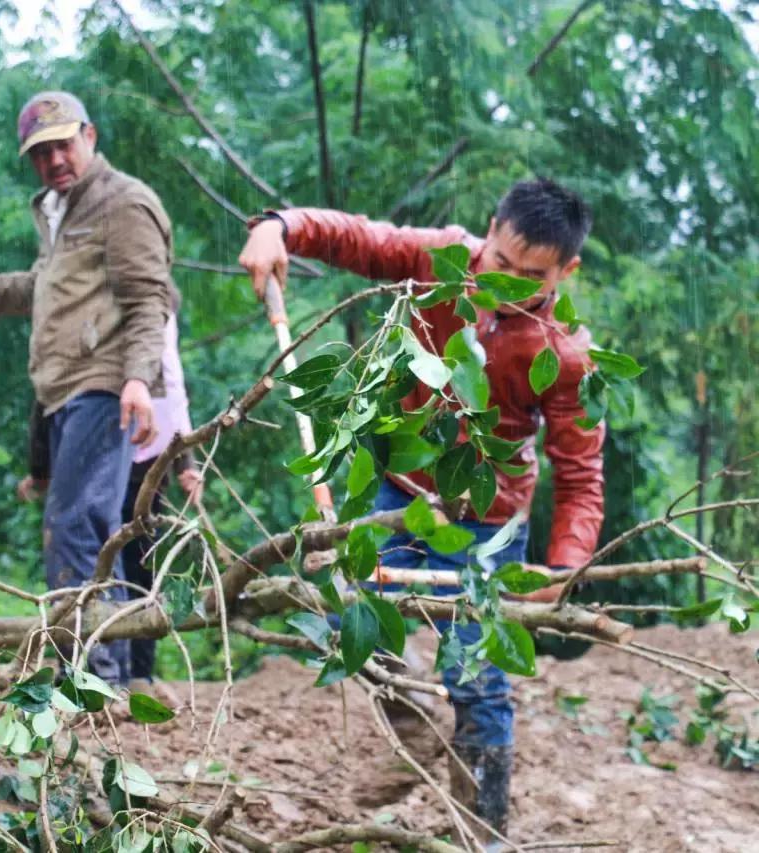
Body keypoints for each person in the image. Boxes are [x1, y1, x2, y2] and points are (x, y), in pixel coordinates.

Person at [237, 178, 604, 842]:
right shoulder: (439, 259)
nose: (506, 284)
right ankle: (411, 720)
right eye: (499, 263)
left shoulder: (566, 350)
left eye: (531, 277)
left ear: (566, 272)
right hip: (399, 494)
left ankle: (480, 832)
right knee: (359, 609)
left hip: (487, 522)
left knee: (476, 679)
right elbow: (359, 237)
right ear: (486, 231)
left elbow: (580, 474)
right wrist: (280, 226)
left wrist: (565, 563)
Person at [0, 91, 174, 684]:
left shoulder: (124, 202)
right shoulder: (64, 209)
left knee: (77, 526)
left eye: (62, 144)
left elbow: (149, 301)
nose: (54, 159)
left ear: (89, 135)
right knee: (81, 528)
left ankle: (93, 678)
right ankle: (101, 671)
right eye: (40, 152)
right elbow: (42, 286)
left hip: (102, 385)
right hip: (59, 390)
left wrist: (137, 379)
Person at [18, 310, 202, 685]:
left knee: (138, 565)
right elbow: (48, 395)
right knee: (98, 553)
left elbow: (170, 386)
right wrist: (40, 471)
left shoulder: (147, 318)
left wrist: (186, 461)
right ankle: (96, 669)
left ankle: (132, 672)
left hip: (143, 466)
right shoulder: (82, 317)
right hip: (102, 455)